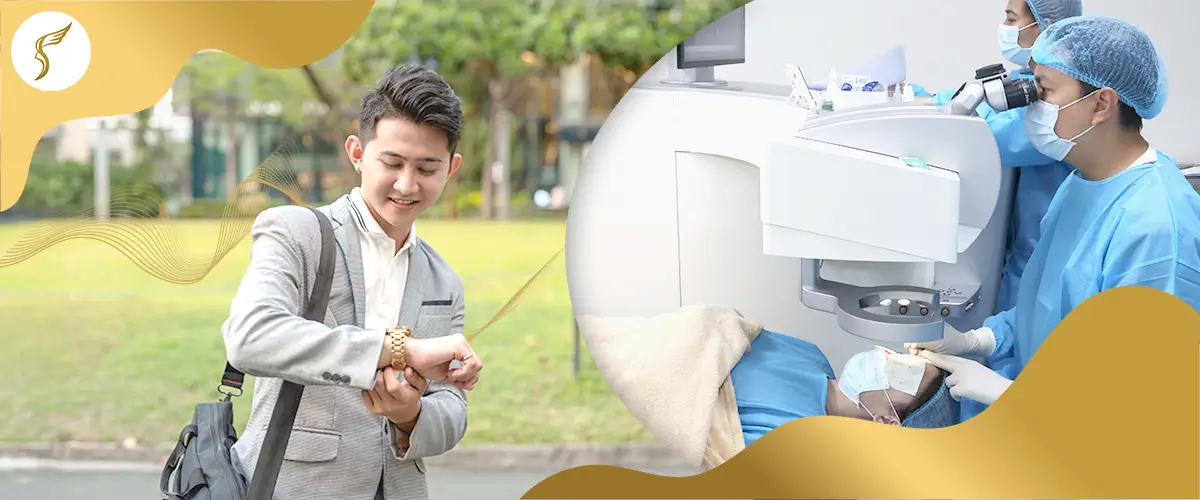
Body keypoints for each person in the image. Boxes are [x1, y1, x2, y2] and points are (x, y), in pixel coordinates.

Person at [909, 16, 1200, 421]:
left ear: (1101, 105)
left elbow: (1143, 402)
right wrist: (983, 340)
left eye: (1042, 90)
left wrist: (1010, 395)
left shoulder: (1157, 230)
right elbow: (1047, 312)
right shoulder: (1081, 182)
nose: (1029, 104)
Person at [221, 64, 483, 500]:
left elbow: (453, 411)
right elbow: (250, 337)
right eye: (392, 162)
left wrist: (411, 415)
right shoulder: (295, 232)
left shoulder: (443, 280)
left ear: (451, 168)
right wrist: (398, 348)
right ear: (357, 153)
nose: (406, 183)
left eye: (426, 167)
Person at [912, 0, 1083, 313]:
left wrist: (940, 115)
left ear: (1044, 24)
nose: (1005, 27)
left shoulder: (1064, 99)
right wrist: (911, 96)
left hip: (1045, 262)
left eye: (1011, 17)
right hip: (1023, 258)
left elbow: (1001, 136)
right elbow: (984, 109)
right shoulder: (1034, 77)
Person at [731, 330, 959, 447]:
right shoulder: (812, 355)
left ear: (887, 421)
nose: (888, 355)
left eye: (903, 374)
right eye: (904, 357)